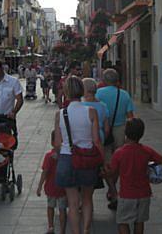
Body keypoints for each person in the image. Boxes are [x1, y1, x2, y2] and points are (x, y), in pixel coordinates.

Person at [110, 118, 162, 234]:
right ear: (141, 134)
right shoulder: (146, 151)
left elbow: (112, 172)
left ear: (125, 133)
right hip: (144, 194)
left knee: (122, 222)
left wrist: (106, 176)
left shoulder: (119, 153)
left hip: (126, 195)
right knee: (139, 222)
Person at [54, 76, 103, 234]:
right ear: (82, 91)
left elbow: (57, 143)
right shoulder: (91, 111)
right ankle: (86, 229)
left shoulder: (61, 114)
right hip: (87, 159)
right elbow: (96, 140)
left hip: (68, 158)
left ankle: (76, 232)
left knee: (73, 203)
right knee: (87, 199)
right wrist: (103, 159)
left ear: (66, 92)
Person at [96, 68, 135, 209]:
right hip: (120, 130)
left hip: (104, 132)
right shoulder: (124, 94)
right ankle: (112, 190)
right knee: (118, 162)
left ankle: (112, 190)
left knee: (106, 162)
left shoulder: (98, 93)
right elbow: (130, 116)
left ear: (104, 81)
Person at [37, 130, 67, 234]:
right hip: (63, 188)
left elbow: (45, 172)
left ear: (52, 142)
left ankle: (51, 227)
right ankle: (62, 230)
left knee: (50, 207)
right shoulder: (66, 157)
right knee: (62, 209)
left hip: (51, 187)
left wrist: (40, 186)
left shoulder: (49, 156)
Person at [81, 78, 110, 145]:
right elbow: (106, 129)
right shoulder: (103, 106)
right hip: (99, 136)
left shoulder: (81, 105)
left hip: (84, 137)